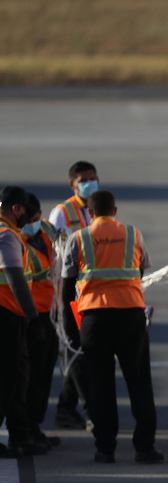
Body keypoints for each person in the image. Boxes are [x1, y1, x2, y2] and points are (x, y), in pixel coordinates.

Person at [62, 190, 163, 464]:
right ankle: (145, 447)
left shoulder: (79, 238)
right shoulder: (133, 234)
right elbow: (140, 271)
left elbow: (67, 286)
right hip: (130, 315)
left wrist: (71, 329)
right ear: (115, 211)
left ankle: (105, 448)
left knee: (100, 386)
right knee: (139, 381)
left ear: (90, 213)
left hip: (94, 320)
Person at [48, 160, 99, 430]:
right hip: (68, 290)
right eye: (84, 180)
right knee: (77, 351)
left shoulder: (96, 209)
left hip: (88, 290)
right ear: (73, 184)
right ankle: (88, 408)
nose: (90, 183)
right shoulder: (61, 213)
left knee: (79, 351)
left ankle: (66, 408)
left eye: (93, 178)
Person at [0, 186, 48, 457]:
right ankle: (19, 435)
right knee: (9, 378)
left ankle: (21, 435)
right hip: (7, 315)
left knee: (13, 378)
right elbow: (14, 278)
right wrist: (32, 316)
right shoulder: (6, 236)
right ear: (16, 209)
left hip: (7, 314)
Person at [22, 194, 62, 448]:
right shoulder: (11, 240)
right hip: (25, 317)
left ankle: (33, 426)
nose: (36, 223)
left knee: (43, 373)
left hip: (47, 315)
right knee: (25, 378)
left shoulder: (46, 230)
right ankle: (24, 430)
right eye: (31, 220)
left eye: (37, 218)